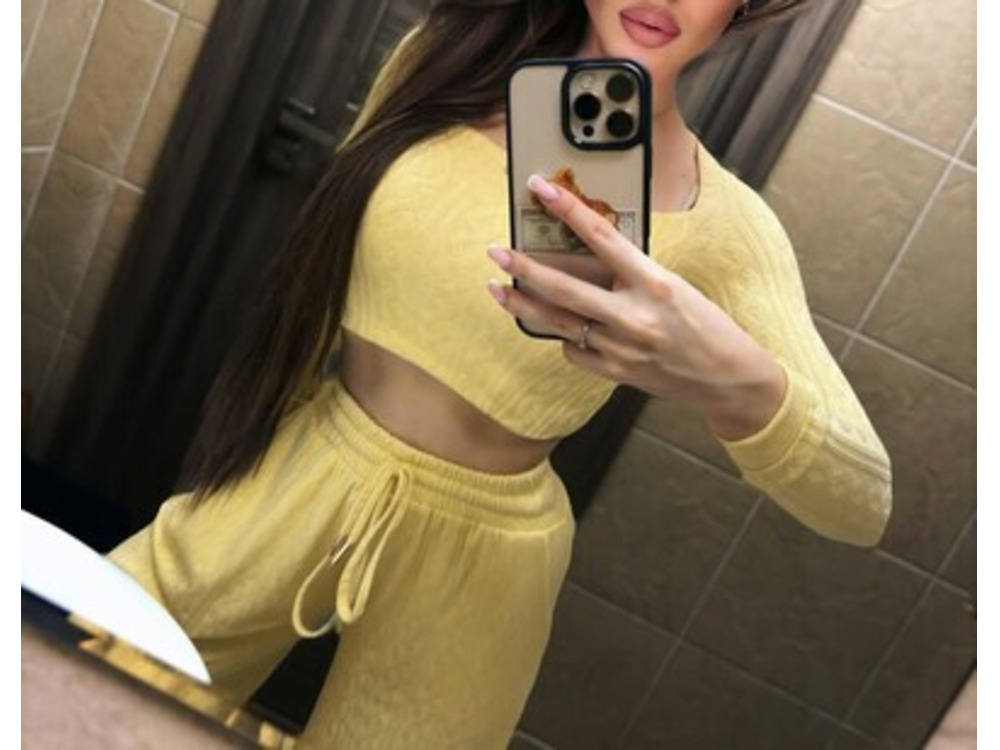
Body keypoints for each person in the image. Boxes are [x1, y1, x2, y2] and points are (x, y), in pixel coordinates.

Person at [108, 0, 893, 747]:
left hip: (487, 562)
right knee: (90, 665)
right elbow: (321, 268)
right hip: (308, 462)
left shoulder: (724, 224)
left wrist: (729, 378)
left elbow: (864, 503)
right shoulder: (436, 63)